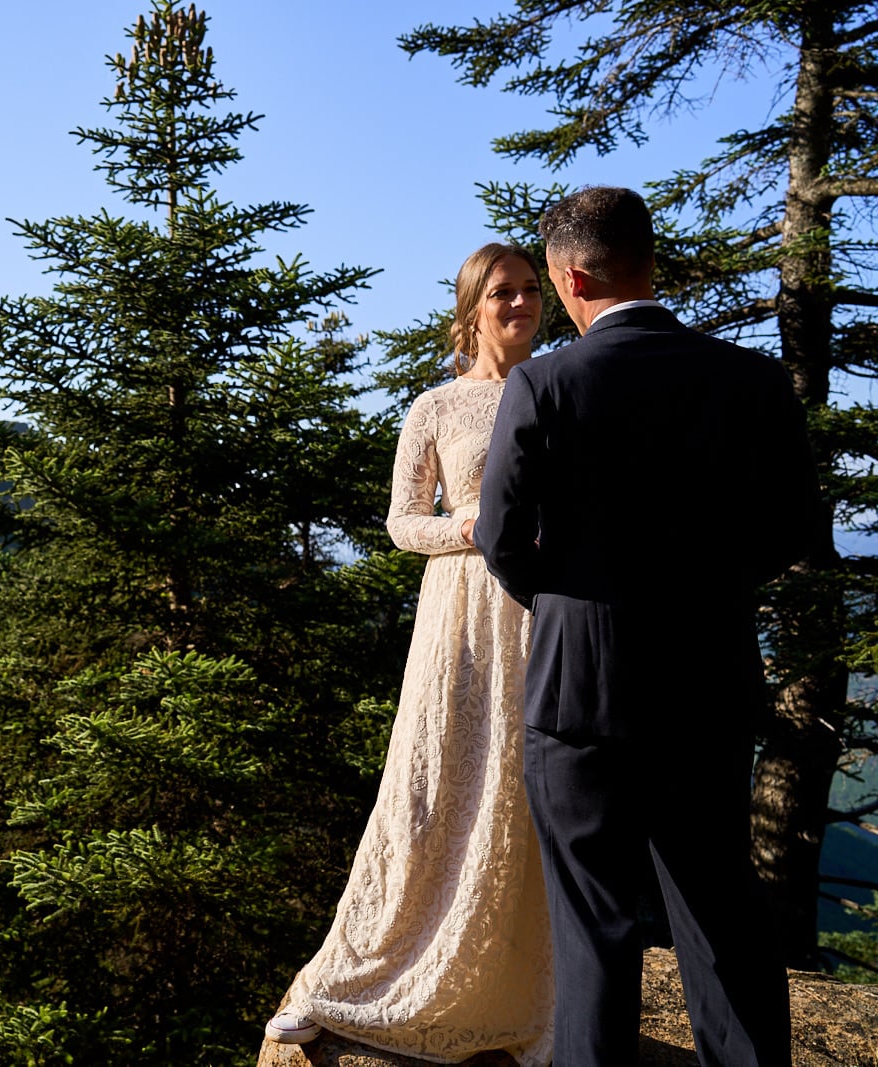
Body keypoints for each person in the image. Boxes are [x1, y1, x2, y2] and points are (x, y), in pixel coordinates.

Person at [474, 185, 824, 1066]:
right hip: (707, 688)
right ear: (649, 260)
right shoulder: (750, 379)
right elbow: (792, 530)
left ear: (571, 278)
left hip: (579, 696)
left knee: (594, 929)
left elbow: (502, 542)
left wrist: (577, 609)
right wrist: (704, 596)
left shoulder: (544, 382)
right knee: (722, 915)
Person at [263, 243, 553, 1066]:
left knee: (522, 788)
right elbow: (400, 522)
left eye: (532, 290)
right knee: (433, 780)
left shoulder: (563, 389)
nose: (521, 304)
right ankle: (365, 971)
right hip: (459, 612)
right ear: (471, 310)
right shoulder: (435, 407)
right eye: (503, 292)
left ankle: (511, 991)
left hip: (539, 612)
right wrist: (463, 529)